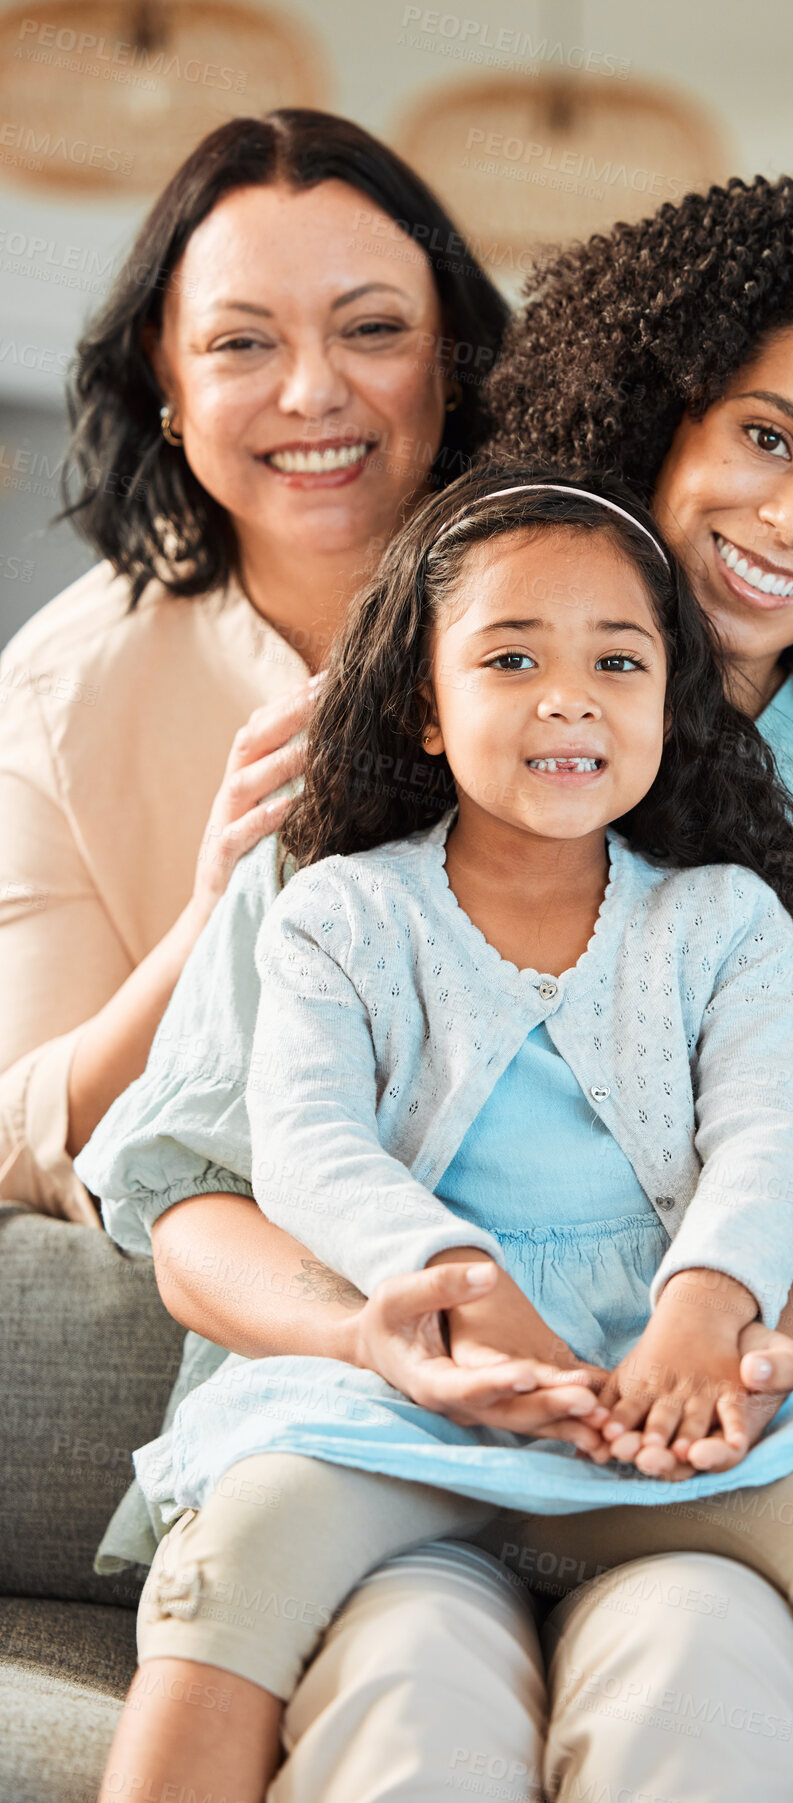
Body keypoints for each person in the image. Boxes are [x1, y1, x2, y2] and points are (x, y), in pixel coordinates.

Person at [82, 174, 793, 1796]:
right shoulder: (399, 725)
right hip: (381, 1401)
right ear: (660, 410)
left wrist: (701, 1365)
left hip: (727, 1417)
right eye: (765, 439)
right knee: (405, 1689)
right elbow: (199, 1188)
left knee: (697, 1676)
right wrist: (400, 1336)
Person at [0, 106, 507, 1222]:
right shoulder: (59, 692)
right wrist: (212, 916)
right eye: (241, 342)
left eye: (372, 329)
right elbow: (26, 1134)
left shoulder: (591, 604)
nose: (312, 392)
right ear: (165, 376)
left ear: (451, 355)